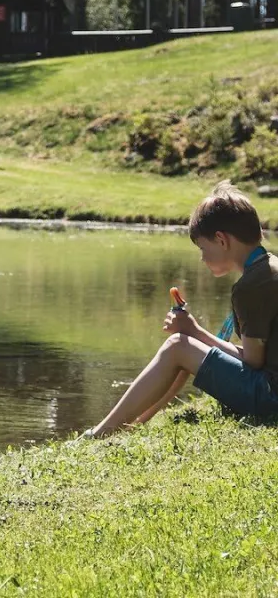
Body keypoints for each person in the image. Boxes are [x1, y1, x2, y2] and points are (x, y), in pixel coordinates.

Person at [85, 180, 278, 438]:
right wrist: (194, 336)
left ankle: (101, 433)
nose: (202, 257)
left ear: (221, 240)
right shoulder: (269, 268)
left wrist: (194, 331)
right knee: (185, 348)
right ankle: (133, 424)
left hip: (270, 398)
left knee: (178, 346)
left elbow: (254, 361)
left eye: (202, 248)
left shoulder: (251, 285)